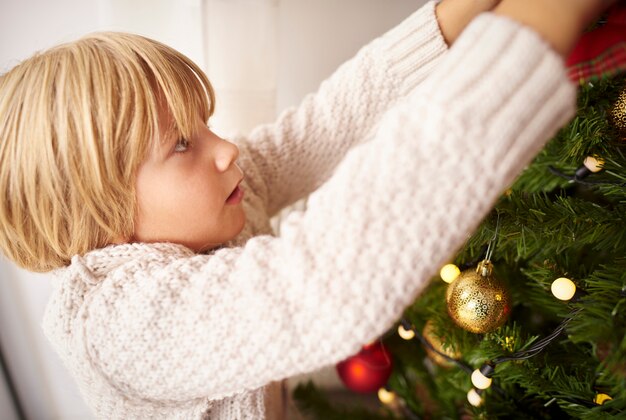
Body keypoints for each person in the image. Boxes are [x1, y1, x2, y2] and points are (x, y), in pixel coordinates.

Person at [0, 0, 615, 418]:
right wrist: (532, 31)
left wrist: (452, 20)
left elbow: (324, 125)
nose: (226, 149)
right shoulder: (119, 325)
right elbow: (320, 285)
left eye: (205, 123)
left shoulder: (208, 213)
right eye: (181, 143)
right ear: (98, 212)